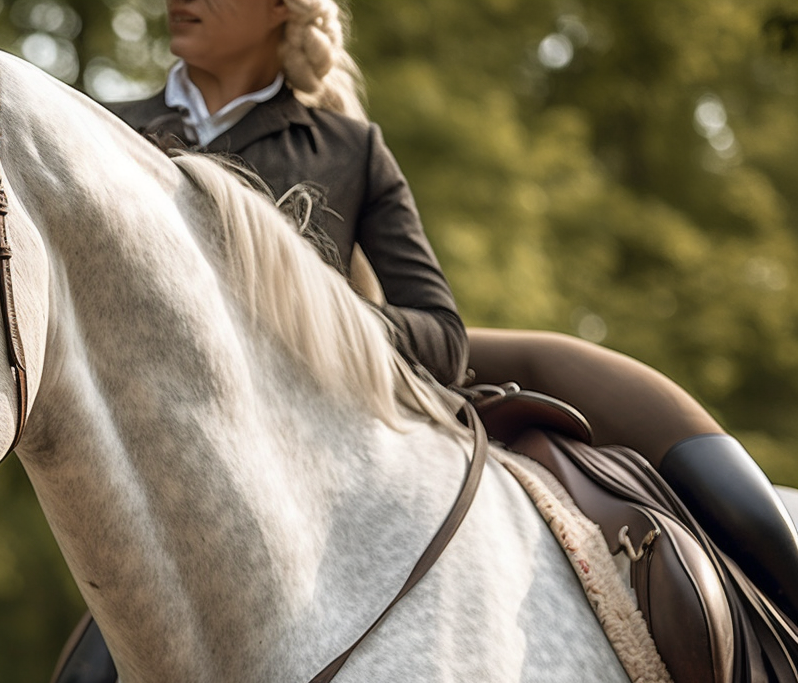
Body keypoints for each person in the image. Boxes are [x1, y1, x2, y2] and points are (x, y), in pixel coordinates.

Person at [104, 0, 798, 624]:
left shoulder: (351, 149)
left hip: (310, 476)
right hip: (159, 499)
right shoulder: (105, 134)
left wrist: (312, 317)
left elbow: (440, 335)